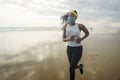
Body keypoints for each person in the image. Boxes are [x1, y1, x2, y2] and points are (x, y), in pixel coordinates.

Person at [61, 10, 89, 80]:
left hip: (78, 49)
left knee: (71, 68)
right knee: (72, 66)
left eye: (72, 16)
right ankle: (80, 67)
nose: (70, 17)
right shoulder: (65, 26)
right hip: (69, 49)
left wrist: (81, 39)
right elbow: (63, 39)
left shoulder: (80, 26)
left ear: (75, 17)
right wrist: (68, 39)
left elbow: (87, 33)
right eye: (69, 16)